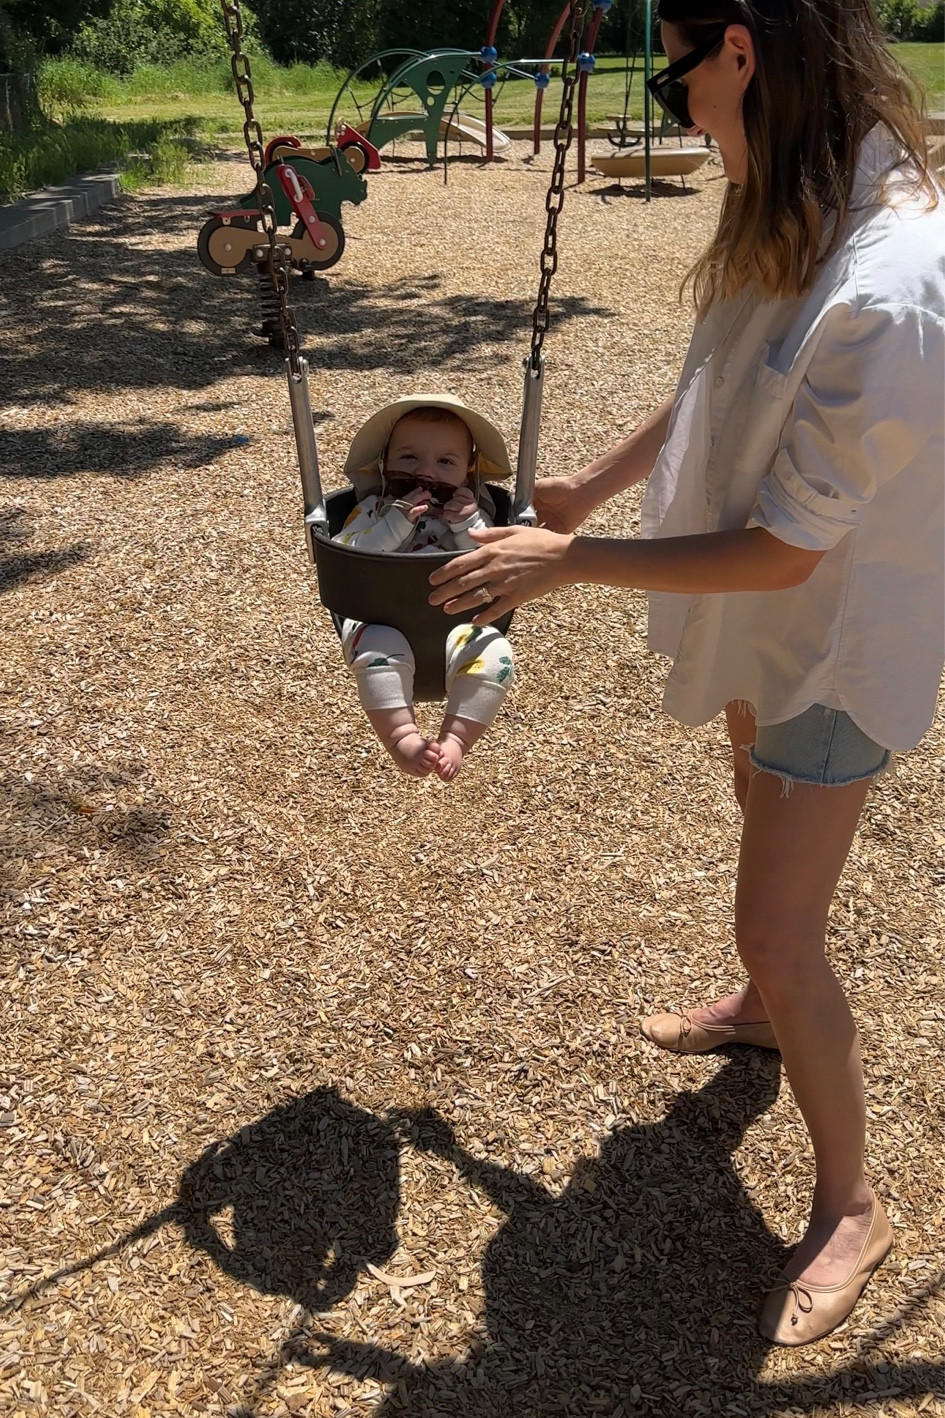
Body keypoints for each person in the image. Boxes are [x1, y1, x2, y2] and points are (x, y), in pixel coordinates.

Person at [428, 0, 944, 1345]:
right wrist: (581, 486)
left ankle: (850, 1200)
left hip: (828, 630)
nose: (680, 111)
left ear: (739, 53)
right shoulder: (801, 201)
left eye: (674, 85)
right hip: (760, 614)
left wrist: (570, 562)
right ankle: (767, 1016)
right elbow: (719, 371)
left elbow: (782, 553)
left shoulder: (889, 285)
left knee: (778, 926)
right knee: (749, 817)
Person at [334, 396, 515, 782]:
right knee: (379, 648)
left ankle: (456, 739)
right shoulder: (372, 509)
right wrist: (393, 525)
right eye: (409, 458)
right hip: (377, 620)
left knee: (496, 651)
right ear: (385, 465)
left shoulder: (475, 516)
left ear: (467, 475)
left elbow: (492, 562)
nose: (426, 474)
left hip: (458, 624)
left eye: (445, 462)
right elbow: (349, 554)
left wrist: (465, 527)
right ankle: (401, 737)